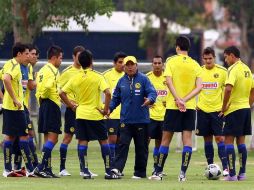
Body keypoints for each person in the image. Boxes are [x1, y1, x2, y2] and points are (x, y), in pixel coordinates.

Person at [59, 49, 120, 180]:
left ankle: (85, 171)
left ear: (80, 62)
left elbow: (61, 93)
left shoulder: (75, 77)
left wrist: (70, 105)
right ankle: (109, 172)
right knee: (103, 141)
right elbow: (108, 93)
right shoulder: (98, 76)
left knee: (82, 141)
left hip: (80, 114)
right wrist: (106, 109)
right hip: (95, 114)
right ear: (92, 61)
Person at [149, 36, 202, 181]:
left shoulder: (171, 61)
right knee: (187, 140)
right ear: (188, 48)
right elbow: (199, 87)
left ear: (177, 47)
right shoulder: (195, 64)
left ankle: (158, 172)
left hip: (173, 106)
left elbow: (168, 81)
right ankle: (182, 174)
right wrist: (184, 100)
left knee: (165, 139)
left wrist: (178, 99)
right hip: (189, 107)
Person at [110, 56, 157, 179]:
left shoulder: (144, 79)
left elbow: (152, 92)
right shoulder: (121, 81)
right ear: (124, 67)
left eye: (132, 64)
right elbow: (115, 98)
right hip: (125, 120)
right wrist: (108, 109)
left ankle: (139, 173)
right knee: (122, 146)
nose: (130, 67)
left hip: (142, 120)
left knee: (141, 148)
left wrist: (150, 100)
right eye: (127, 65)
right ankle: (117, 169)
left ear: (136, 65)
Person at [220, 46, 254, 181]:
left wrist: (223, 108)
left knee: (228, 141)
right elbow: (253, 90)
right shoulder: (247, 69)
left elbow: (228, 89)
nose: (225, 59)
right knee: (241, 142)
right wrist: (249, 104)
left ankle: (232, 175)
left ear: (232, 55)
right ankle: (242, 174)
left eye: (226, 56)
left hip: (234, 110)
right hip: (245, 110)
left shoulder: (232, 69)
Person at [2, 43, 35, 177]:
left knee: (10, 137)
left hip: (12, 107)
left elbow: (3, 76)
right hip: (15, 108)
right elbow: (5, 78)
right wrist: (15, 99)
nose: (28, 56)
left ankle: (8, 169)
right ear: (19, 54)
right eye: (26, 53)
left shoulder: (11, 64)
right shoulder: (14, 65)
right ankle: (30, 169)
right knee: (24, 136)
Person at [196, 47, 228, 176]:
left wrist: (225, 107)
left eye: (210, 58)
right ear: (202, 59)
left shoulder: (222, 72)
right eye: (205, 58)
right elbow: (191, 89)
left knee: (220, 138)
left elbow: (228, 91)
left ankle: (225, 168)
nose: (208, 61)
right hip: (202, 110)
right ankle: (210, 166)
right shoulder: (198, 72)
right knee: (207, 139)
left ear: (214, 58)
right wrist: (195, 104)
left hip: (217, 111)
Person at [58, 45, 88, 177]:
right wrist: (70, 104)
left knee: (83, 138)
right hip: (72, 110)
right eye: (78, 56)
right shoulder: (67, 72)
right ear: (73, 57)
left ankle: (83, 169)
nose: (81, 59)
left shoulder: (86, 71)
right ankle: (62, 168)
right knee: (67, 138)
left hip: (85, 110)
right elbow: (59, 91)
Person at [34, 45, 63, 178]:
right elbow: (46, 88)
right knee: (54, 138)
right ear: (54, 58)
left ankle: (47, 168)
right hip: (51, 105)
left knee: (47, 139)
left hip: (44, 105)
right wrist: (46, 96)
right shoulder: (53, 71)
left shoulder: (41, 70)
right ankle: (40, 167)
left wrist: (41, 99)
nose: (61, 61)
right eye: (60, 58)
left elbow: (39, 90)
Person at [12, 44, 39, 175]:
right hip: (18, 107)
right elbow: (30, 86)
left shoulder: (27, 68)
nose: (33, 56)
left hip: (24, 107)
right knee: (25, 136)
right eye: (30, 53)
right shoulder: (17, 67)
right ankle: (31, 166)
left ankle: (19, 166)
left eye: (34, 55)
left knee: (23, 137)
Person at [103, 52, 127, 165]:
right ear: (114, 63)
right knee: (111, 140)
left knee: (121, 142)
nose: (122, 64)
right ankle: (111, 165)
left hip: (124, 115)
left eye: (124, 62)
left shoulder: (128, 76)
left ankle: (117, 165)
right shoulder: (106, 75)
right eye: (120, 62)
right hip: (111, 114)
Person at [146, 55, 167, 174]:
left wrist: (168, 101)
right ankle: (142, 167)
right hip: (150, 117)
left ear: (163, 64)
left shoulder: (168, 78)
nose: (157, 65)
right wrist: (146, 102)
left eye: (159, 63)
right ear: (152, 64)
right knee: (145, 143)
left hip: (164, 116)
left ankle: (157, 168)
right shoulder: (147, 78)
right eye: (155, 63)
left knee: (159, 144)